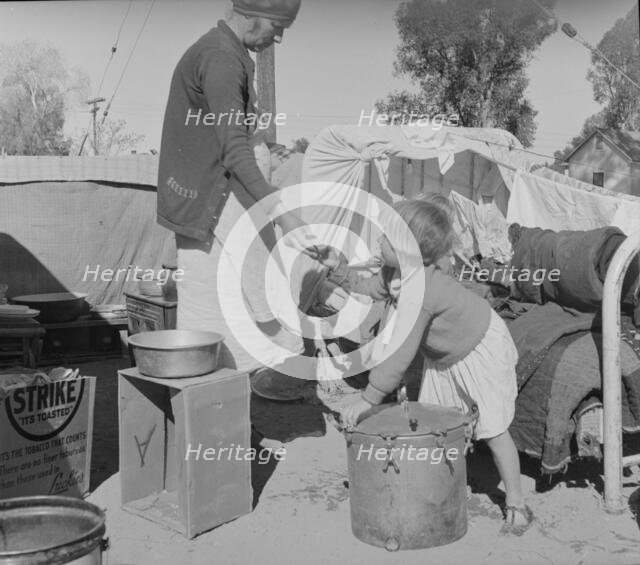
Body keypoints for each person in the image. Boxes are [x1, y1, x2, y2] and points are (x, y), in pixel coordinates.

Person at [323, 195, 533, 535]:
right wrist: (338, 267)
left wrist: (368, 398)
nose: (379, 239)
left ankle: (517, 503)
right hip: (446, 354)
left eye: (387, 238)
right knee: (440, 422)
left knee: (493, 429)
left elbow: (400, 352)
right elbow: (368, 288)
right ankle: (444, 484)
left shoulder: (421, 290)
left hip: (480, 347)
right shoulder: (395, 271)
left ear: (411, 252)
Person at [157, 0, 320, 379]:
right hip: (219, 203)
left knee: (220, 303)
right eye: (276, 26)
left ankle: (225, 402)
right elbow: (234, 150)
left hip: (216, 202)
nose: (276, 37)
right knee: (235, 301)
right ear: (251, 14)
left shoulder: (223, 51)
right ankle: (224, 398)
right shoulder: (221, 59)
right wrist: (280, 210)